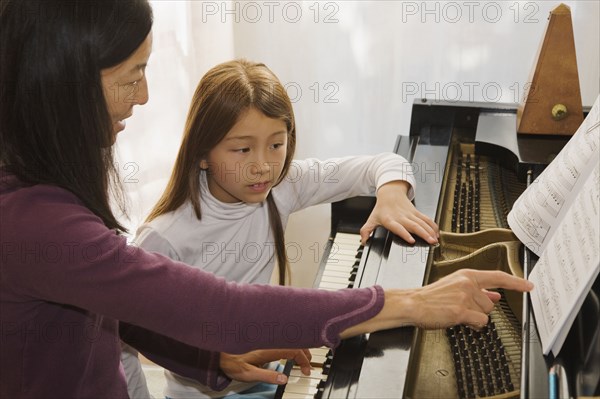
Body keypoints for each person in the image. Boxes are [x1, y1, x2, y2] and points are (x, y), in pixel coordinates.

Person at [0, 1, 533, 398]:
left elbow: (128, 312)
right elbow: (219, 308)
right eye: (132, 75)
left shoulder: (39, 177)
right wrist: (411, 303)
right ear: (62, 83)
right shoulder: (30, 221)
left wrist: (214, 360)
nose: (144, 96)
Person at [124, 58, 439, 399]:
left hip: (265, 374)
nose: (262, 167)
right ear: (202, 153)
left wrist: (392, 193)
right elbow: (132, 331)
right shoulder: (164, 236)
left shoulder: (283, 186)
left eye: (276, 144)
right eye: (243, 149)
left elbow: (384, 163)